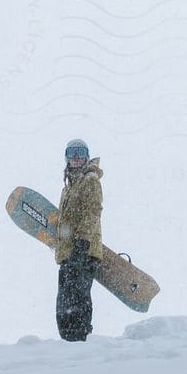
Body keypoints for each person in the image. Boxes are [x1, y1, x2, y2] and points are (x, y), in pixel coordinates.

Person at [55, 138, 103, 341]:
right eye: (72, 152)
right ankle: (67, 340)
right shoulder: (68, 187)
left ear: (86, 157)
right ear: (66, 157)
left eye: (81, 153)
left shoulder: (90, 181)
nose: (76, 157)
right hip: (68, 254)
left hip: (82, 252)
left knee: (77, 299)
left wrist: (81, 245)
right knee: (64, 303)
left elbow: (92, 213)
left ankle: (81, 339)